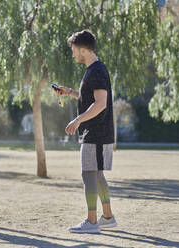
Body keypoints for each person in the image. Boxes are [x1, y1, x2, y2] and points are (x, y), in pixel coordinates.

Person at [54, 30, 117, 233]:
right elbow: (90, 99)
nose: (73, 55)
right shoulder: (94, 69)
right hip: (98, 132)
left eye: (73, 50)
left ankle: (91, 222)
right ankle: (107, 217)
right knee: (96, 175)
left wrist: (77, 120)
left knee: (88, 174)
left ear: (83, 50)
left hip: (95, 132)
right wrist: (70, 92)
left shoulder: (96, 71)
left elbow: (100, 104)